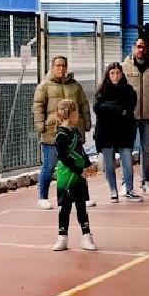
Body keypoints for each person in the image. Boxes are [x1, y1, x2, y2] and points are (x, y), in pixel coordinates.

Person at [32, 56, 92, 210]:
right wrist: (41, 126)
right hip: (51, 133)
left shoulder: (75, 86)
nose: (61, 68)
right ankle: (43, 197)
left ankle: (82, 196)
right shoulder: (44, 86)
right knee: (50, 165)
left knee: (78, 163)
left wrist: (86, 122)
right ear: (52, 67)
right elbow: (38, 106)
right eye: (58, 65)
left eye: (63, 65)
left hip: (74, 133)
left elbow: (83, 105)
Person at [93, 62, 141, 203]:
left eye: (118, 72)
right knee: (109, 164)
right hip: (106, 132)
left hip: (124, 131)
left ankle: (130, 189)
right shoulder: (101, 90)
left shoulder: (128, 89)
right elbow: (98, 108)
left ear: (122, 73)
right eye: (112, 73)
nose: (115, 75)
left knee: (127, 160)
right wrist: (117, 108)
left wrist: (111, 109)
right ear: (108, 75)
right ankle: (113, 191)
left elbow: (129, 108)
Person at [52, 98, 95, 251]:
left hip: (80, 176)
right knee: (65, 207)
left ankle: (86, 236)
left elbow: (81, 151)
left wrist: (88, 164)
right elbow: (63, 157)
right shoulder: (61, 136)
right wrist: (79, 170)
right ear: (69, 115)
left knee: (81, 205)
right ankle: (62, 237)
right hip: (66, 175)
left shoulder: (75, 132)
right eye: (77, 113)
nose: (78, 117)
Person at [122, 37, 149, 195]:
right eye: (138, 46)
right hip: (129, 118)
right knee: (128, 150)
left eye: (144, 47)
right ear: (133, 48)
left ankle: (146, 181)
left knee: (146, 150)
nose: (141, 50)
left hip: (147, 117)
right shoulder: (124, 67)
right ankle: (126, 182)